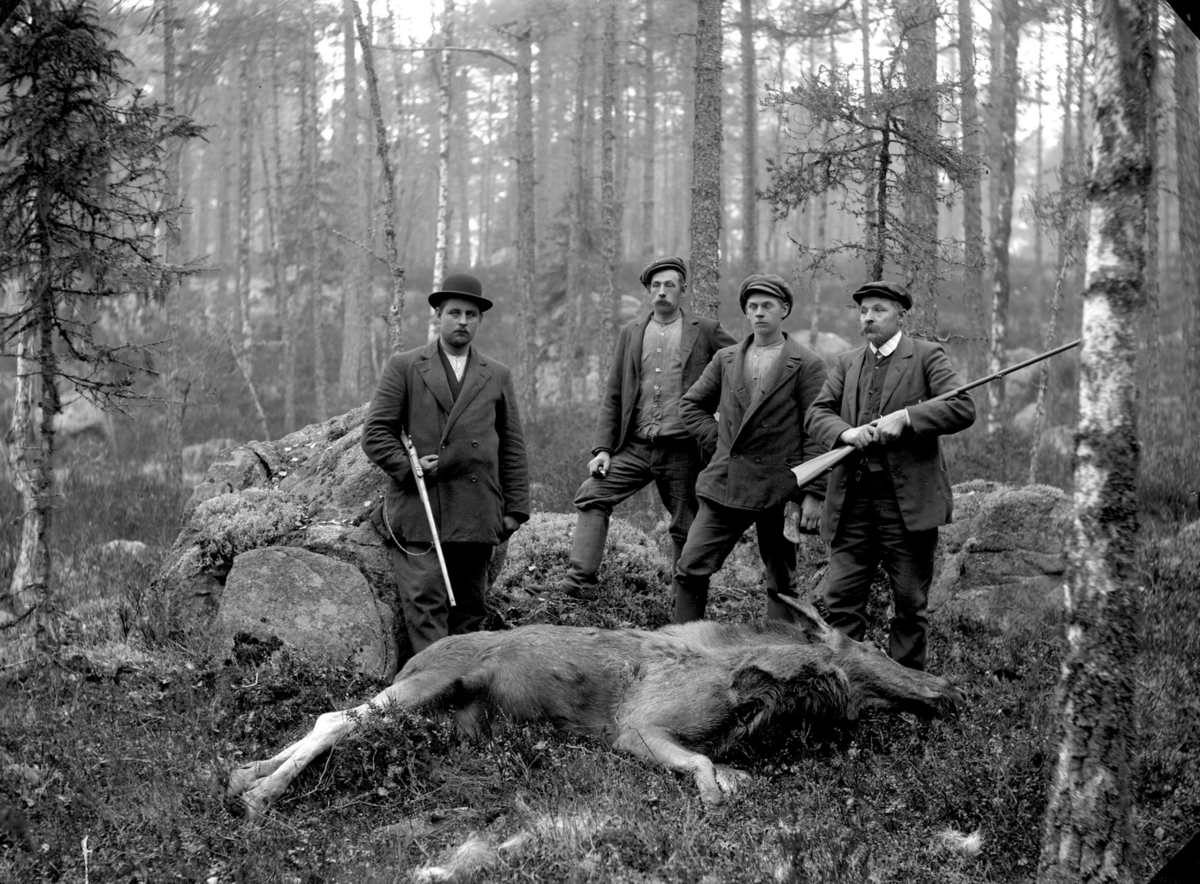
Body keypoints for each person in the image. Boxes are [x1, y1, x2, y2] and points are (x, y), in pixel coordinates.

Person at [537, 256, 735, 600]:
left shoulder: (704, 330)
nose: (662, 292)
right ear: (648, 291)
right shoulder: (631, 332)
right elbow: (613, 394)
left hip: (684, 448)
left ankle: (682, 607)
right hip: (637, 447)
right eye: (655, 286)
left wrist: (721, 419)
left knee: (686, 525)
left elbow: (739, 366)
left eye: (669, 285)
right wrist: (603, 449)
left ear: (683, 290)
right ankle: (579, 583)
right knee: (592, 494)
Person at [804, 280, 976, 670]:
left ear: (902, 315)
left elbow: (963, 407)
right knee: (841, 604)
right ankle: (848, 689)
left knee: (910, 606)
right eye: (863, 310)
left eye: (878, 310)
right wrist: (847, 433)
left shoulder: (927, 356)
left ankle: (907, 691)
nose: (868, 317)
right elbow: (816, 413)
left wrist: (909, 417)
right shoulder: (847, 363)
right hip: (851, 504)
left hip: (907, 507)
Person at [362, 273, 530, 654]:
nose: (463, 321)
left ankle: (463, 686)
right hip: (422, 511)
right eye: (454, 313)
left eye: (471, 314)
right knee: (426, 606)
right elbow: (375, 434)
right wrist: (411, 469)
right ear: (438, 315)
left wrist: (515, 509)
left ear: (480, 320)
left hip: (476, 512)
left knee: (470, 613)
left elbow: (512, 446)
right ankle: (434, 686)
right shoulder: (405, 366)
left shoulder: (497, 375)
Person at [671, 273, 828, 623]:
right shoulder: (726, 358)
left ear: (784, 310)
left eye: (767, 305)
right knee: (691, 565)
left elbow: (817, 430)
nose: (759, 313)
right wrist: (721, 442)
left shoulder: (807, 364)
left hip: (781, 489)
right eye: (752, 306)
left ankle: (777, 649)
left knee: (782, 581)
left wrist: (814, 492)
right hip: (727, 483)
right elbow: (690, 406)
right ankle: (682, 643)